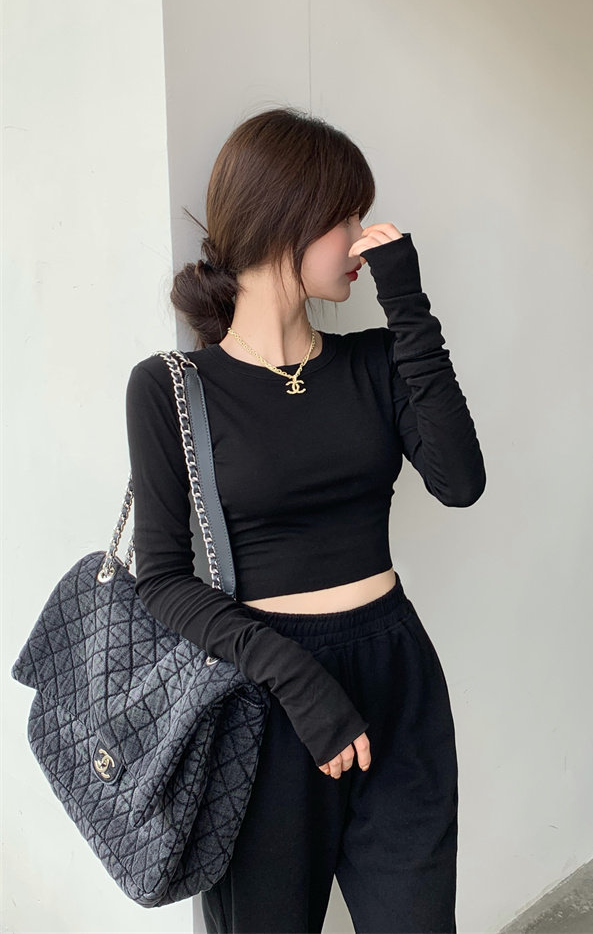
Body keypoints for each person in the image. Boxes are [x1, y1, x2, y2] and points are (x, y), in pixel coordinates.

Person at [125, 106, 486, 934]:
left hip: (396, 673)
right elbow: (162, 581)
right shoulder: (171, 387)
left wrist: (407, 303)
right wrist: (295, 680)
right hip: (264, 699)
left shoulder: (376, 360)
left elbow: (460, 483)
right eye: (347, 217)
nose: (361, 239)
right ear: (288, 218)